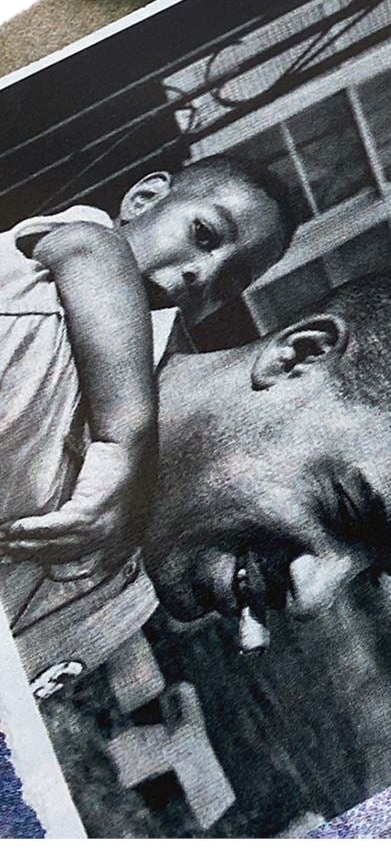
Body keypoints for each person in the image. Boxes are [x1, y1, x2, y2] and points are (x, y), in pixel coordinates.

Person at [0, 260, 391, 697]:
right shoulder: (21, 358)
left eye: (369, 574)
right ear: (296, 358)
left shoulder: (140, 584)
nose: (312, 599)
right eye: (344, 511)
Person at [0, 157, 295, 589]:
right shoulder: (75, 243)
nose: (203, 274)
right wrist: (124, 446)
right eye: (203, 235)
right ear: (144, 198)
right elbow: (93, 250)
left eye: (231, 283)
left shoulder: (146, 375)